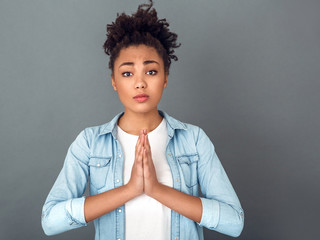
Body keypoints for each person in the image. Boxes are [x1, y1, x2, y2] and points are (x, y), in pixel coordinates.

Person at [41, 1, 244, 239]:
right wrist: (130, 190)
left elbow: (234, 222)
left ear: (165, 77)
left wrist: (156, 190)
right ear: (114, 81)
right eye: (127, 73)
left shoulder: (193, 140)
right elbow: (50, 221)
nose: (140, 83)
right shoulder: (89, 143)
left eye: (151, 71)